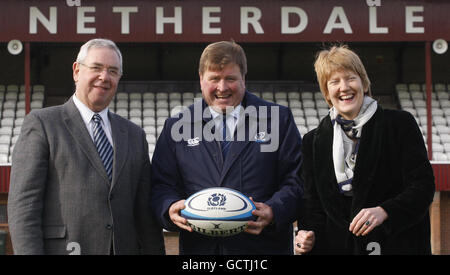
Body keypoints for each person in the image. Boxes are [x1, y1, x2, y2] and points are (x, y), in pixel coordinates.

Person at [7, 38, 165, 255]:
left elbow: (145, 215)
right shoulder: (42, 124)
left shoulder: (134, 135)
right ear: (76, 71)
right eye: (97, 68)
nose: (104, 77)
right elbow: (23, 207)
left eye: (113, 71)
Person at [150, 41, 303, 254]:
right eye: (214, 79)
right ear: (201, 79)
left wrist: (274, 210)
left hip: (263, 250)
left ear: (243, 79)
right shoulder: (176, 126)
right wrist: (169, 207)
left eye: (230, 78)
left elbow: (296, 180)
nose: (222, 88)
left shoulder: (278, 120)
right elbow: (161, 185)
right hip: (200, 253)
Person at [295, 45, 435, 255]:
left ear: (364, 82)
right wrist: (306, 235)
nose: (344, 87)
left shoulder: (400, 125)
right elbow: (311, 204)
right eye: (334, 81)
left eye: (350, 78)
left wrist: (385, 211)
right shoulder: (313, 140)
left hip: (395, 245)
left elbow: (423, 187)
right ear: (326, 91)